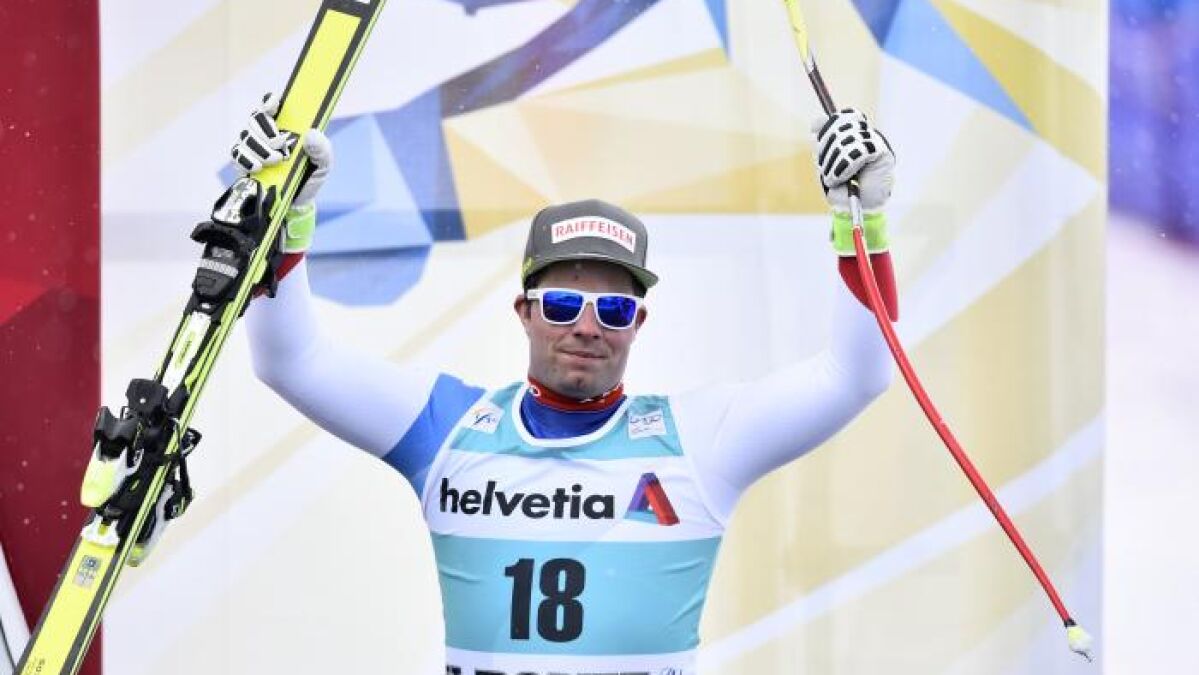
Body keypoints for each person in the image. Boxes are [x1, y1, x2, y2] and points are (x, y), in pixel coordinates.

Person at [238, 93, 899, 675]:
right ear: (523, 312)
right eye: (560, 305)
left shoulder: (699, 440)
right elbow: (291, 361)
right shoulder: (448, 429)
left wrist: (862, 225)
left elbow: (856, 375)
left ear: (637, 323)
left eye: (612, 309)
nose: (586, 327)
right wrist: (286, 218)